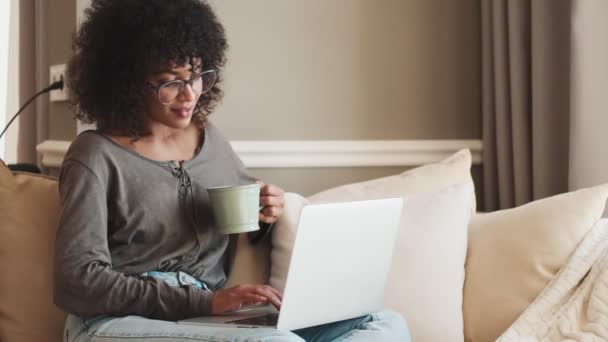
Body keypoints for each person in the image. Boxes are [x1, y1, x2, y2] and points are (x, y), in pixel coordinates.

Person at [55, 0, 411, 341]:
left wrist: (266, 213)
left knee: (382, 324)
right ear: (128, 83)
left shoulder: (210, 140)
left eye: (196, 76)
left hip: (203, 318)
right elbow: (77, 282)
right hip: (115, 324)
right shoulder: (94, 155)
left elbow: (242, 213)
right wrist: (204, 301)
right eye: (170, 82)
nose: (188, 95)